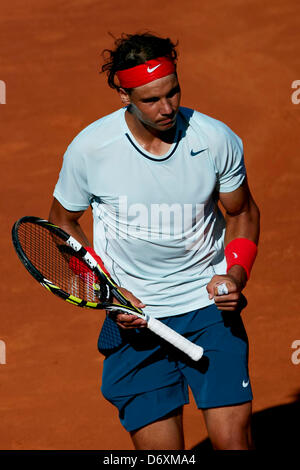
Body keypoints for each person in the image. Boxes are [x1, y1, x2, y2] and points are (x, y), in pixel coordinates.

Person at [49, 32, 260, 450]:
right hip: (137, 322)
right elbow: (62, 224)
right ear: (123, 93)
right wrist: (105, 290)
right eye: (150, 100)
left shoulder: (214, 139)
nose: (168, 109)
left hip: (207, 312)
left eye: (173, 92)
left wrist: (235, 274)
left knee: (233, 442)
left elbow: (242, 212)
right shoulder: (91, 150)